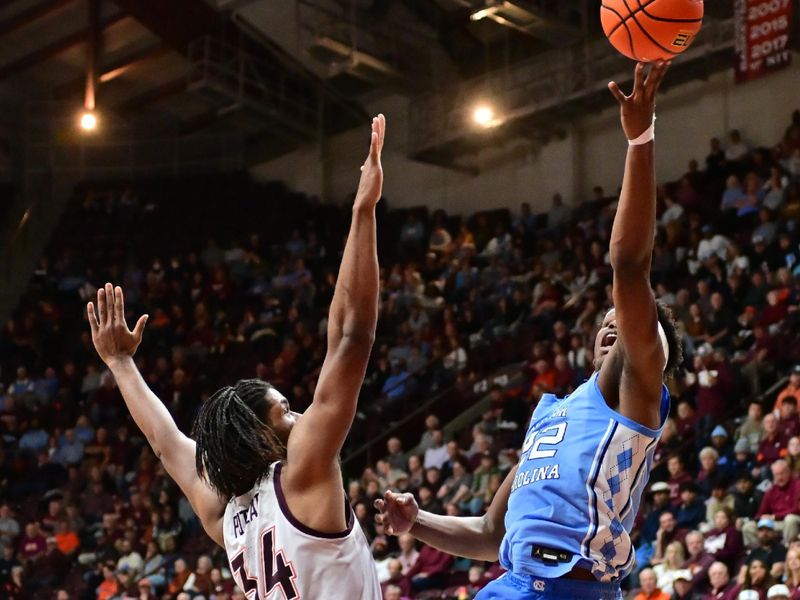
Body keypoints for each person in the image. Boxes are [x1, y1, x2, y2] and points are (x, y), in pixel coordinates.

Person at [376, 62, 681, 600]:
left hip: (570, 586)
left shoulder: (637, 382)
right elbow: (492, 534)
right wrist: (418, 522)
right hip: (516, 581)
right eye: (606, 321)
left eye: (625, 321)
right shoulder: (551, 415)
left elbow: (629, 265)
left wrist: (640, 140)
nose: (614, 324)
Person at [85, 115, 387, 599]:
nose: (300, 414)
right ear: (261, 435)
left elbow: (166, 443)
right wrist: (363, 212)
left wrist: (120, 364)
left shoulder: (223, 516)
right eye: (285, 411)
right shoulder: (304, 472)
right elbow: (352, 336)